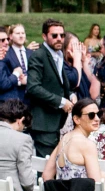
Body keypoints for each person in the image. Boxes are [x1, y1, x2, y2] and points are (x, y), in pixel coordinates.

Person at [26, 19, 73, 158]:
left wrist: (69, 95)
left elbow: (56, 84)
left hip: (57, 121)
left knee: (54, 165)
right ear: (44, 36)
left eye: (62, 35)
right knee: (47, 167)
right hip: (43, 122)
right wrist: (62, 102)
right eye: (54, 35)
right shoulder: (38, 55)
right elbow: (33, 87)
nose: (59, 39)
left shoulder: (58, 55)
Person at [0, 23, 33, 101]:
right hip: (11, 100)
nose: (6, 42)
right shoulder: (6, 55)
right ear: (11, 36)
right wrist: (16, 75)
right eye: (18, 33)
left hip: (31, 98)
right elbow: (3, 83)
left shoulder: (32, 53)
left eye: (23, 33)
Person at [63, 33, 99, 101]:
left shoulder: (76, 62)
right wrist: (77, 58)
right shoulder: (63, 64)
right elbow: (76, 83)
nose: (77, 48)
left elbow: (90, 84)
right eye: (74, 45)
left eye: (78, 45)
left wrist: (84, 62)